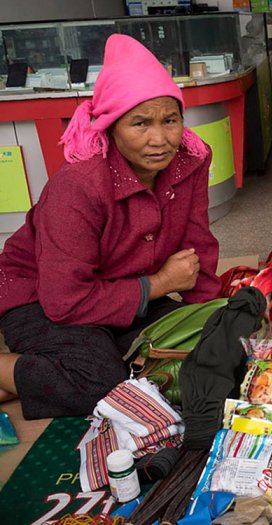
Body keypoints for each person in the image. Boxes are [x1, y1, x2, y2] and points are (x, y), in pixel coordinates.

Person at [0, 34, 221, 419]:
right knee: (102, 384)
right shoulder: (80, 185)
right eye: (140, 123)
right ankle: (22, 368)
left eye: (170, 120)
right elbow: (64, 300)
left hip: (124, 289)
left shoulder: (190, 159)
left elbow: (196, 243)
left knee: (209, 355)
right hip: (41, 296)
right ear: (111, 126)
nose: (160, 139)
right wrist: (161, 284)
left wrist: (211, 319)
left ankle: (42, 372)